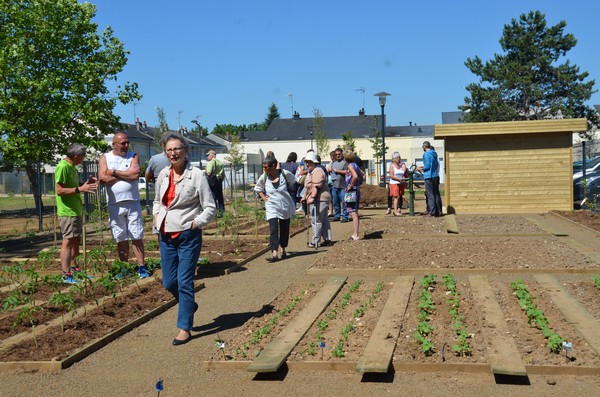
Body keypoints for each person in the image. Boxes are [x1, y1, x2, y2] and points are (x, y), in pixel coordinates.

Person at [153, 133, 217, 345]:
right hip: (165, 233)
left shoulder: (197, 175)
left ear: (185, 150)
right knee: (169, 281)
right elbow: (157, 201)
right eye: (169, 150)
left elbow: (210, 207)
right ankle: (189, 305)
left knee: (185, 281)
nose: (173, 153)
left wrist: (196, 223)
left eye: (177, 149)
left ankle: (184, 328)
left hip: (188, 233)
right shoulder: (163, 174)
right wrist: (155, 217)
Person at [99, 132, 150, 279]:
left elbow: (135, 176)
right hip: (115, 204)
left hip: (133, 202)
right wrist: (125, 174)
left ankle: (141, 267)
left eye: (127, 142)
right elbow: (103, 178)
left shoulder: (133, 156)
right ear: (114, 144)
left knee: (136, 235)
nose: (126, 146)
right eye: (123, 143)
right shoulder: (105, 158)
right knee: (120, 236)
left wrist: (114, 172)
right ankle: (124, 267)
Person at [55, 144, 98, 284]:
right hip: (67, 212)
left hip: (75, 209)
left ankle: (74, 270)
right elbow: (59, 190)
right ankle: (66, 274)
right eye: (83, 156)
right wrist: (80, 189)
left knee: (75, 241)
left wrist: (85, 184)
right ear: (76, 156)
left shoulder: (72, 168)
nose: (84, 159)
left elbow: (73, 187)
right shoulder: (63, 167)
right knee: (68, 241)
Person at [254, 156, 296, 262]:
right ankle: (274, 253)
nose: (264, 169)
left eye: (266, 167)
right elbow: (258, 188)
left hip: (284, 205)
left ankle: (283, 249)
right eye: (263, 167)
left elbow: (293, 182)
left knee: (284, 228)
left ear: (273, 166)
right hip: (271, 206)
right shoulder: (264, 177)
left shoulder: (285, 174)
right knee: (273, 229)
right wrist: (264, 197)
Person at [301, 152, 332, 248]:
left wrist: (312, 197)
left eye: (309, 162)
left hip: (320, 198)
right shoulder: (312, 171)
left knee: (316, 220)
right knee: (324, 219)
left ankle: (315, 241)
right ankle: (327, 239)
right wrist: (304, 196)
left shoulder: (317, 170)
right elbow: (308, 187)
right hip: (320, 198)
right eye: (306, 162)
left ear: (314, 162)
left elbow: (317, 186)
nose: (307, 164)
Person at [417, 141, 443, 217]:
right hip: (436, 175)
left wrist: (420, 169)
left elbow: (427, 166)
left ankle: (431, 212)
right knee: (436, 194)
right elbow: (432, 164)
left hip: (429, 176)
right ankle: (438, 211)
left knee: (430, 195)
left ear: (424, 147)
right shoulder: (434, 154)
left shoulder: (426, 154)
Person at [343, 149, 361, 241]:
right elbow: (362, 174)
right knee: (355, 212)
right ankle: (356, 233)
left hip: (351, 191)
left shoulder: (350, 166)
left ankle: (355, 234)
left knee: (353, 213)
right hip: (356, 190)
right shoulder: (355, 165)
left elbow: (355, 176)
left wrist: (351, 185)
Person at [328, 148, 349, 222]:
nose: (337, 156)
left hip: (342, 186)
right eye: (336, 154)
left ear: (342, 154)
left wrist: (338, 171)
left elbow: (347, 172)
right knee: (335, 202)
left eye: (339, 154)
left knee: (344, 202)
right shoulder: (333, 163)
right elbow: (331, 173)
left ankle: (345, 217)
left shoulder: (345, 163)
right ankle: (337, 216)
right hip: (334, 185)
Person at [205, 150, 225, 215]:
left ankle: (215, 212)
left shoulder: (211, 162)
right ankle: (222, 212)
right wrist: (221, 180)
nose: (207, 157)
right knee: (220, 196)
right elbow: (223, 174)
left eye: (208, 155)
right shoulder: (220, 162)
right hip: (219, 180)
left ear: (212, 155)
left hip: (212, 181)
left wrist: (205, 171)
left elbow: (209, 173)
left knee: (213, 197)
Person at [389, 151, 408, 216]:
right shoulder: (392, 166)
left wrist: (402, 178)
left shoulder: (400, 166)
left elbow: (403, 172)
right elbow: (391, 175)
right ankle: (395, 210)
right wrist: (398, 179)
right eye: (397, 157)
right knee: (396, 197)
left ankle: (398, 209)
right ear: (394, 158)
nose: (399, 159)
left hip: (400, 183)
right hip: (394, 183)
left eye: (399, 157)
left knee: (399, 196)